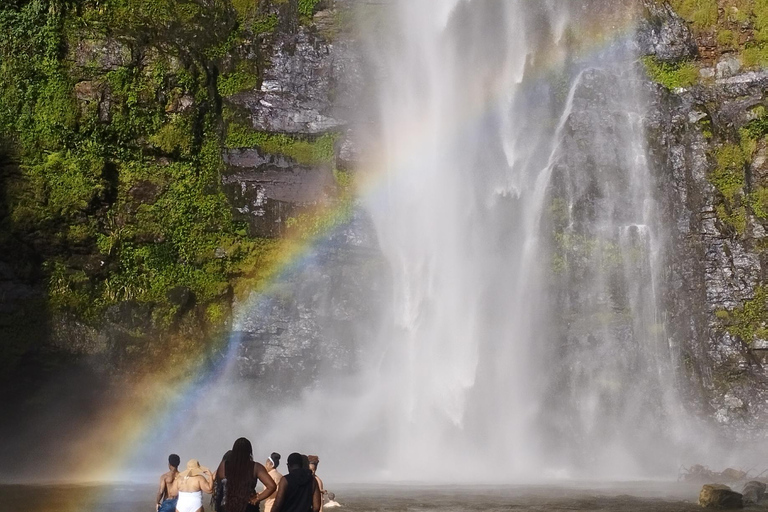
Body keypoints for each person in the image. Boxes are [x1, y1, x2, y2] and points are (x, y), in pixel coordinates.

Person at [215, 437, 276, 512]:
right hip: (248, 506)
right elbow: (272, 486)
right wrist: (257, 498)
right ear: (249, 452)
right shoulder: (256, 467)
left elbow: (219, 483)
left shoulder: (224, 465)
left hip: (227, 506)